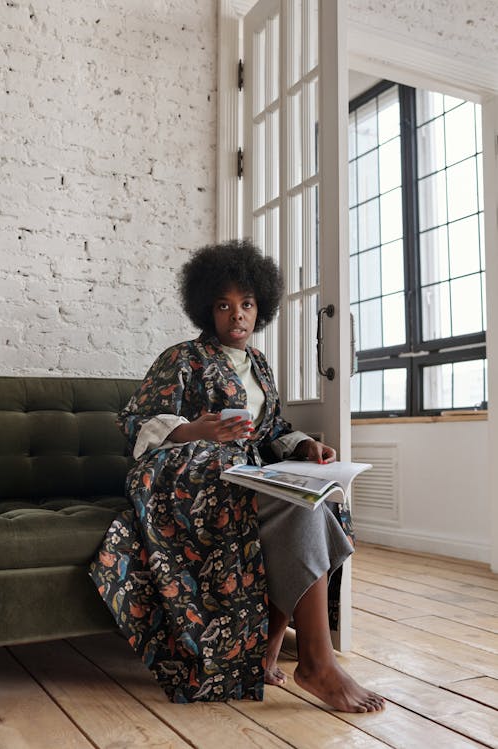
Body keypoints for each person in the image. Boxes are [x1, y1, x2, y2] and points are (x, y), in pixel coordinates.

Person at [90, 240, 385, 712]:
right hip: (186, 474)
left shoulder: (262, 368)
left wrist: (305, 446)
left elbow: (273, 431)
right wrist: (193, 428)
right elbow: (137, 424)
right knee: (294, 506)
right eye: (225, 305)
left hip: (243, 471)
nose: (237, 316)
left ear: (260, 308)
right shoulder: (182, 358)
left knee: (316, 504)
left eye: (246, 304)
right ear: (208, 309)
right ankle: (314, 664)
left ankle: (274, 652)